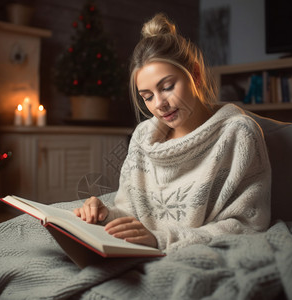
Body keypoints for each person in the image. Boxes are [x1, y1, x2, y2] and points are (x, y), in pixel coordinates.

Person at [74, 13, 271, 252]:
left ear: (196, 76)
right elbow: (131, 215)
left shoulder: (238, 134)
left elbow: (248, 224)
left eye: (167, 87)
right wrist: (106, 215)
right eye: (147, 96)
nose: (159, 104)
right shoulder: (142, 137)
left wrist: (161, 240)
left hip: (195, 253)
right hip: (136, 253)